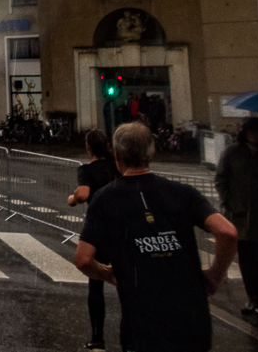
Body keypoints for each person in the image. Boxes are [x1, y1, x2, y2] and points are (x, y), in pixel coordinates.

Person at [75, 123, 238, 352]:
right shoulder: (183, 193)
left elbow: (83, 259)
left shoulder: (105, 199)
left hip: (143, 322)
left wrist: (107, 273)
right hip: (192, 321)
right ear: (152, 153)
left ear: (117, 154)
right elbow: (227, 232)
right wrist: (214, 275)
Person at [215, 116, 258, 315]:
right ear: (244, 133)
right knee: (248, 261)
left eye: (257, 131)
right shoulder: (232, 153)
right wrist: (230, 203)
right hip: (240, 217)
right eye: (250, 131)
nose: (254, 135)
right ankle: (254, 298)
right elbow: (221, 179)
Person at [68, 130, 119, 350]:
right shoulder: (118, 166)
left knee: (96, 284)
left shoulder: (87, 170)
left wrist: (72, 199)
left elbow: (82, 195)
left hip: (99, 230)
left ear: (88, 147)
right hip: (121, 228)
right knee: (128, 282)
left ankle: (97, 337)